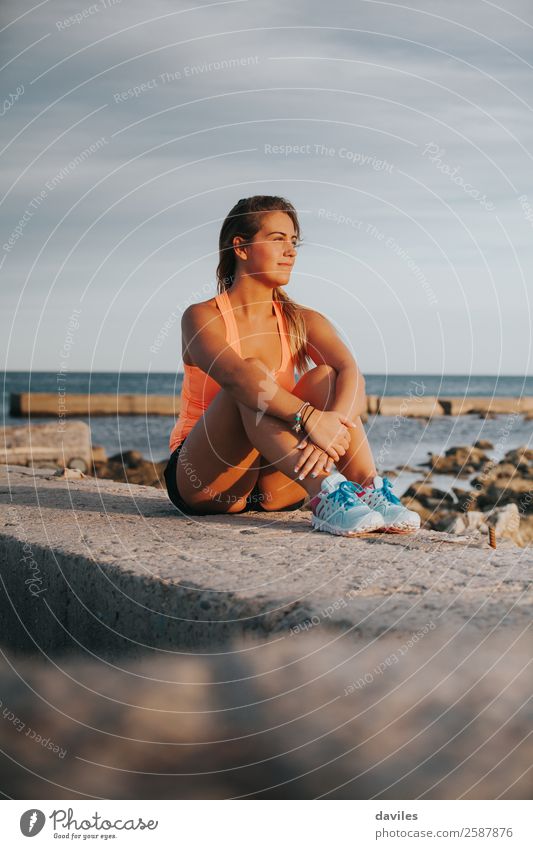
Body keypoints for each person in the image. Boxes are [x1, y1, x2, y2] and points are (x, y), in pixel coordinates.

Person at [164, 195, 420, 537]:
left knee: (328, 377)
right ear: (241, 248)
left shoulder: (302, 320)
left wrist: (331, 427)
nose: (291, 251)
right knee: (251, 376)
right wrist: (310, 418)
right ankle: (325, 487)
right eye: (278, 239)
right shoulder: (202, 316)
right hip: (209, 478)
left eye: (294, 242)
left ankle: (364, 488)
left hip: (282, 480)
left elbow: (351, 374)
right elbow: (235, 376)